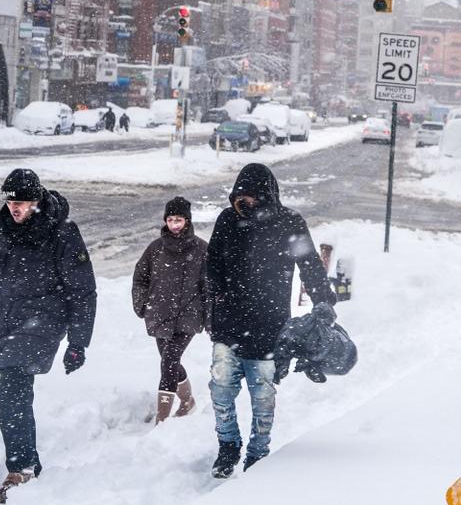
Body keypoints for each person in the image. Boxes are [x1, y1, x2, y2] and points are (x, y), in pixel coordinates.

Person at [0, 169, 97, 504]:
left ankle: (20, 470)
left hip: (44, 320)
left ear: (36, 201)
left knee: (11, 388)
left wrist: (78, 342)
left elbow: (82, 290)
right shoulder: (2, 228)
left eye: (20, 203)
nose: (14, 209)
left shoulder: (62, 232)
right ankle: (29, 462)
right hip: (7, 318)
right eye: (10, 202)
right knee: (14, 387)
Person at [204, 163, 335, 478]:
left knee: (262, 395)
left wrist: (324, 301)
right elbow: (212, 264)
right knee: (221, 389)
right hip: (229, 325)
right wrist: (218, 297)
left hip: (270, 326)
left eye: (251, 197)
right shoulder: (226, 220)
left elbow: (309, 265)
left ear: (266, 195)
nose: (244, 204)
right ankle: (228, 446)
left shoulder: (290, 223)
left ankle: (258, 455)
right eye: (240, 198)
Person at [132, 196, 208, 424]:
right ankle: (187, 402)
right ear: (166, 221)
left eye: (179, 220)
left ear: (188, 220)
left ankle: (162, 418)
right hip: (160, 315)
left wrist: (209, 316)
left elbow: (210, 287)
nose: (175, 225)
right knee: (170, 361)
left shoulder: (202, 250)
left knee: (169, 361)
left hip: (188, 316)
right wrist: (142, 304)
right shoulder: (155, 249)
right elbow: (140, 278)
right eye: (171, 220)